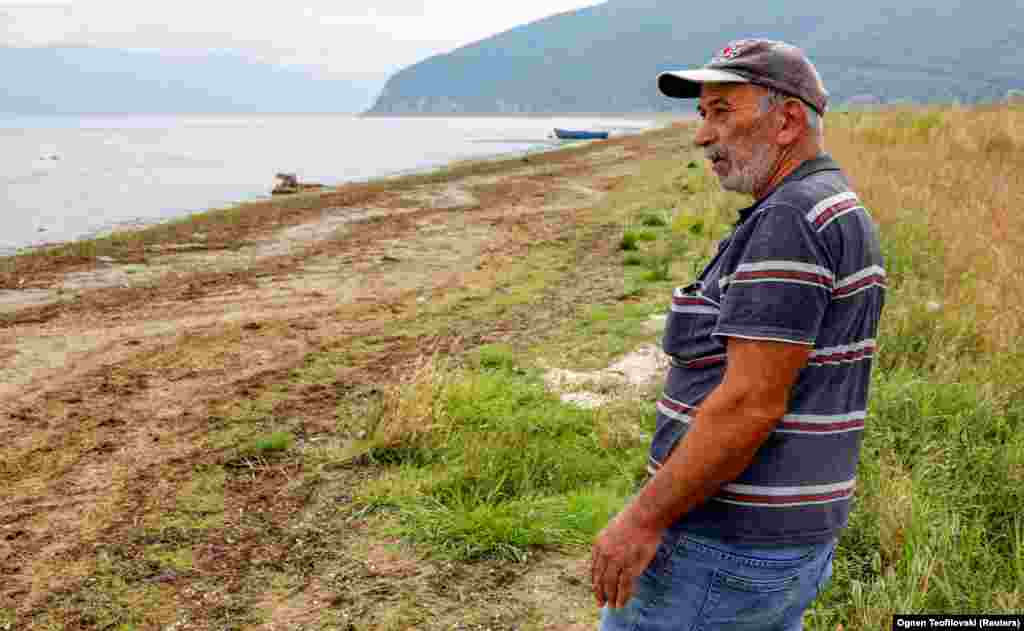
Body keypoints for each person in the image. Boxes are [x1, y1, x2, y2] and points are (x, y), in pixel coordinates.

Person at [590, 39, 887, 630]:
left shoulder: (791, 220)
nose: (703, 136)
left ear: (788, 121)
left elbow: (750, 403)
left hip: (721, 550)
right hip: (778, 543)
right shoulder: (824, 204)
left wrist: (642, 520)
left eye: (722, 111)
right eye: (703, 114)